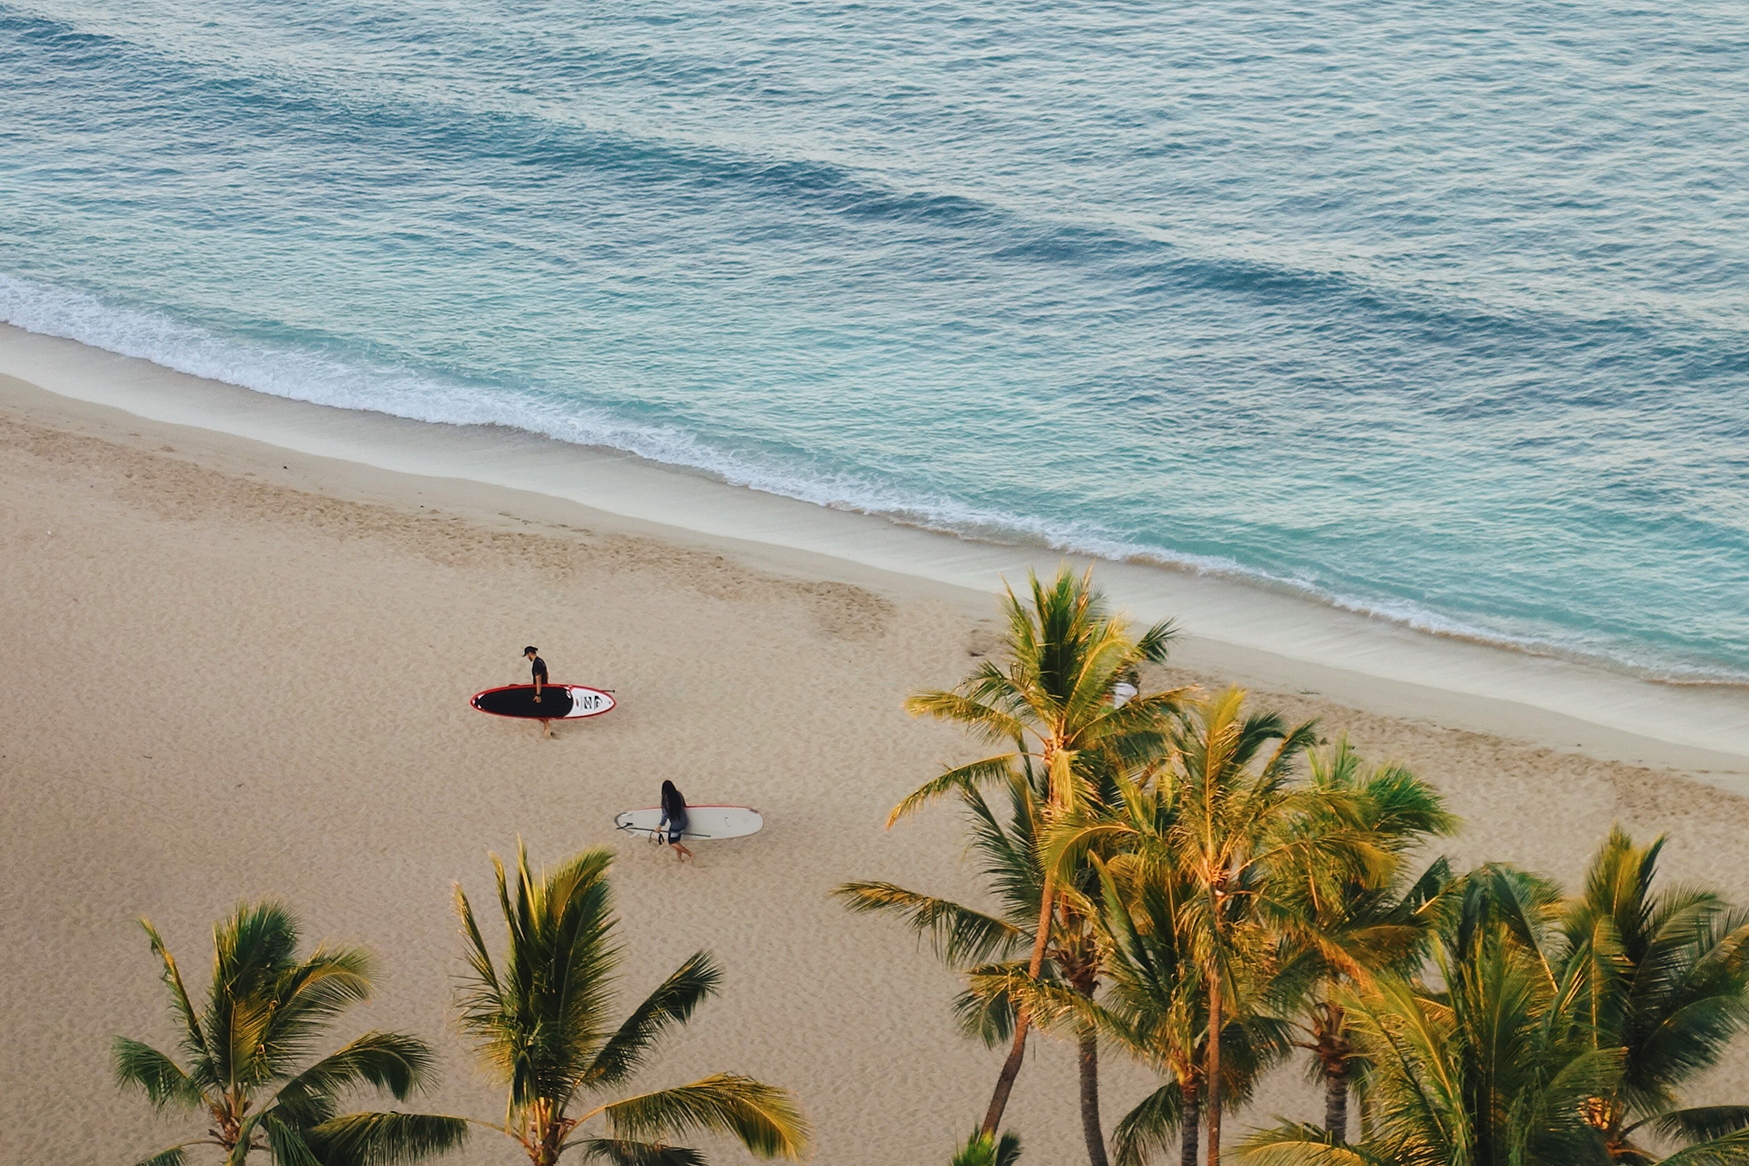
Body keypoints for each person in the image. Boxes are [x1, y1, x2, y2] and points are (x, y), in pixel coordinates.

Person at [657, 779, 694, 862]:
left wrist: (659, 826)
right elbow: (684, 805)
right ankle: (680, 859)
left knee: (671, 842)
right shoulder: (678, 794)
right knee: (676, 841)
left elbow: (665, 815)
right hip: (684, 821)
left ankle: (690, 854)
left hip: (676, 825)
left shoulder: (666, 800)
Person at [524, 646, 554, 739]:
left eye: (527, 655)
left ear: (529, 654)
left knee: (536, 712)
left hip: (540, 690)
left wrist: (538, 694)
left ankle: (547, 729)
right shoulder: (541, 661)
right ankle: (546, 729)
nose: (527, 658)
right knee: (541, 711)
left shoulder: (536, 664)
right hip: (544, 688)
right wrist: (547, 685)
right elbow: (547, 673)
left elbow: (538, 680)